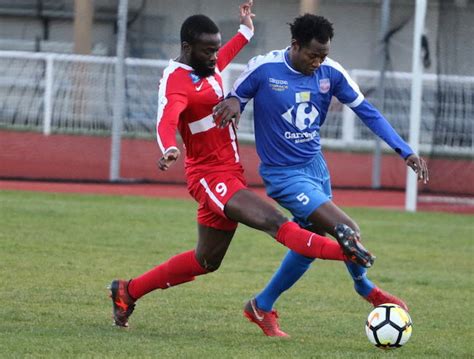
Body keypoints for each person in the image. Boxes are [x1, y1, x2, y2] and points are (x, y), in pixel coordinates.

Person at [108, 5, 374, 330]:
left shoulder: (207, 66)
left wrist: (246, 30)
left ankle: (126, 291)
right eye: (208, 51)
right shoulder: (176, 81)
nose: (215, 57)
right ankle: (344, 250)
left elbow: (231, 49)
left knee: (205, 261)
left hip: (230, 173)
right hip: (210, 178)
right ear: (187, 48)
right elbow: (167, 118)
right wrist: (170, 147)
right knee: (275, 222)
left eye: (216, 49)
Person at [213, 13, 429, 337]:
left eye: (324, 55)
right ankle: (365, 287)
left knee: (309, 244)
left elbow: (367, 112)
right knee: (347, 230)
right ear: (295, 45)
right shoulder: (265, 69)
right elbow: (235, 96)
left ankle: (261, 305)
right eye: (313, 55)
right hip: (283, 175)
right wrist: (232, 103)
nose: (318, 62)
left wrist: (405, 151)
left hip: (315, 168)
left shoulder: (331, 72)